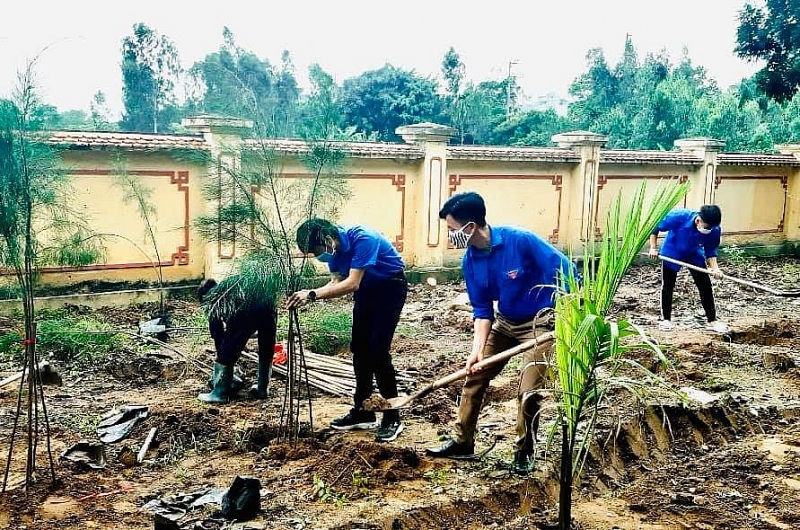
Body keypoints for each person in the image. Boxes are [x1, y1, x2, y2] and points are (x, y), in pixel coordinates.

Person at [425, 191, 575, 475]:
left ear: (471, 228)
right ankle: (462, 441)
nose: (449, 237)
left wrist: (567, 312)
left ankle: (523, 451)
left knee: (529, 390)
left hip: (540, 323)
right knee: (475, 375)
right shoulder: (470, 260)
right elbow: (482, 310)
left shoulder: (521, 241)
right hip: (506, 322)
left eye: (452, 230)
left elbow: (566, 271)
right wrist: (477, 351)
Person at [286, 218, 407, 443]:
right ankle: (363, 410)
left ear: (328, 239)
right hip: (367, 292)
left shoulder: (363, 238)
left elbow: (352, 283)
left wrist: (312, 295)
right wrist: (309, 293)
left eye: (317, 251)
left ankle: (392, 416)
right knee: (360, 349)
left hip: (390, 287)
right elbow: (335, 282)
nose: (319, 256)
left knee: (378, 351)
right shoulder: (333, 251)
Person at [648, 205, 728, 333]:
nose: (709, 230)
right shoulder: (679, 216)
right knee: (668, 285)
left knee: (705, 285)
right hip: (672, 252)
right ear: (698, 221)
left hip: (694, 254)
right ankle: (666, 320)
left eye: (710, 228)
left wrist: (715, 269)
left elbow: (710, 250)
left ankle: (712, 321)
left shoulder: (714, 229)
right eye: (706, 227)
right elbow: (655, 228)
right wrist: (653, 247)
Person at [197, 278, 278, 404]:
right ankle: (262, 389)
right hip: (268, 303)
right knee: (266, 347)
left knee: (229, 346)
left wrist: (224, 364)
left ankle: (219, 393)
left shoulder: (214, 301)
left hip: (246, 309)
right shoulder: (231, 287)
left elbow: (219, 337)